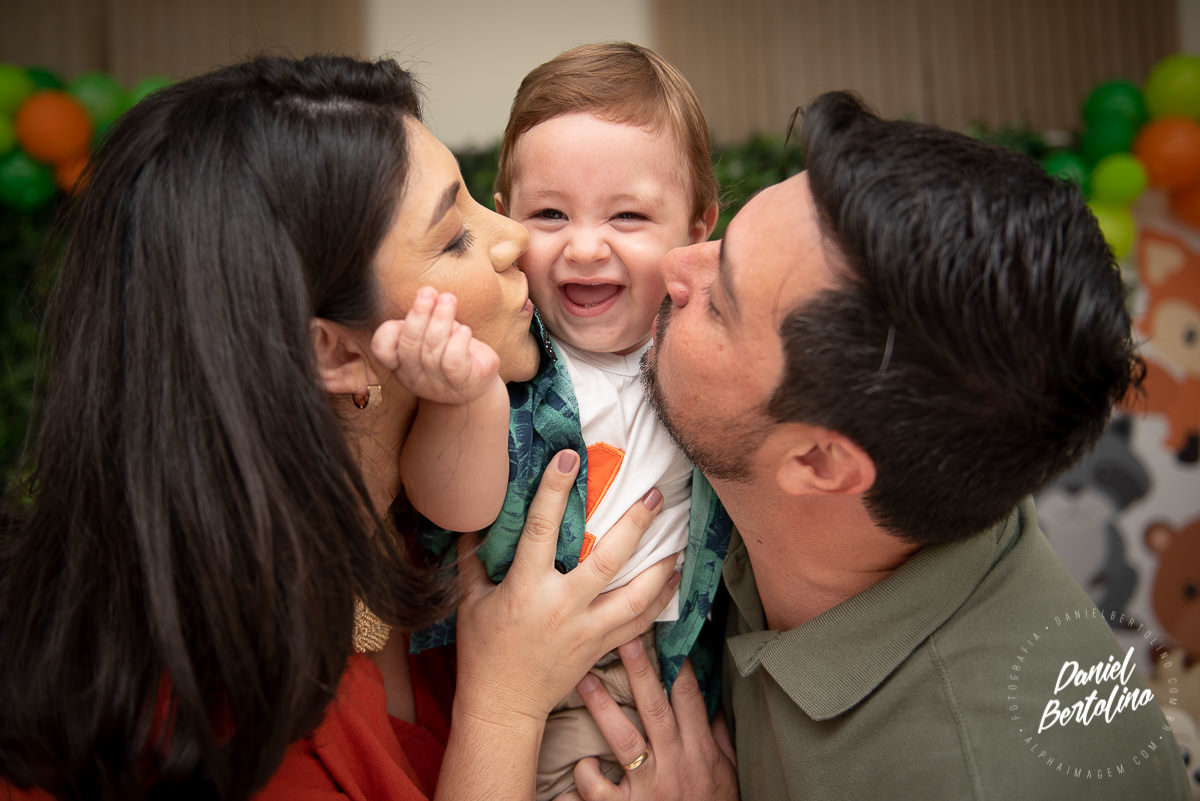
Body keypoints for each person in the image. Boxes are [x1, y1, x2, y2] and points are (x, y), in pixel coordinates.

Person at [0, 54, 679, 801]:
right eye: (454, 237)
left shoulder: (457, 515)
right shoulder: (189, 717)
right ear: (334, 349)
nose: (516, 238)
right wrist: (504, 703)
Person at [569, 91, 1192, 800]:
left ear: (819, 463)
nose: (677, 265)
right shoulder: (881, 471)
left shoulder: (970, 774)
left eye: (722, 300)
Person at [413, 42, 727, 800]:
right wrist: (467, 397)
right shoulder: (513, 356)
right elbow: (449, 506)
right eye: (550, 213)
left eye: (627, 214)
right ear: (504, 218)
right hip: (543, 678)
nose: (586, 246)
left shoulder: (715, 353)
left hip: (685, 662)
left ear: (696, 227)